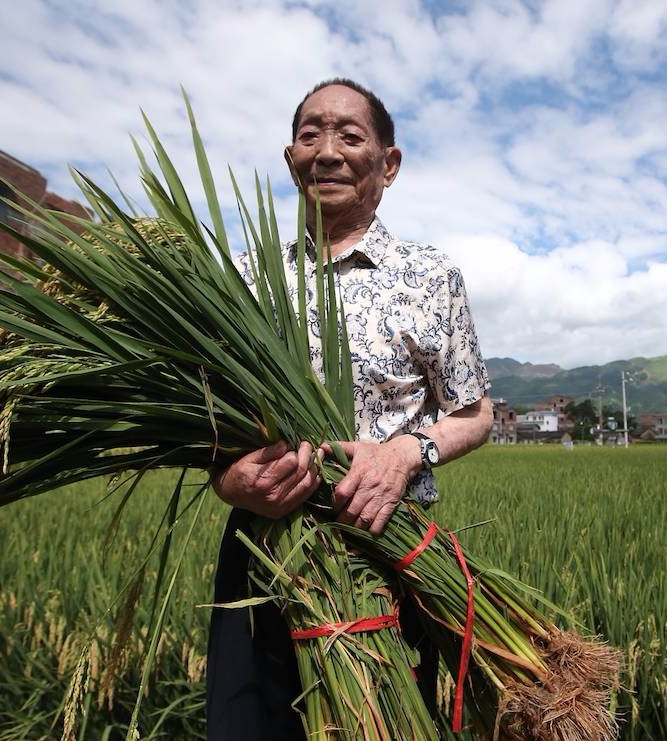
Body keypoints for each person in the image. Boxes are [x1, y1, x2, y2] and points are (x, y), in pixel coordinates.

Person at [206, 78, 493, 739]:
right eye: (310, 134)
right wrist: (228, 479)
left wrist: (405, 452)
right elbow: (211, 423)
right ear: (289, 159)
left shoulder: (429, 275)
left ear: (387, 165)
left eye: (350, 136)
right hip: (263, 549)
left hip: (386, 551)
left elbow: (473, 413)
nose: (327, 151)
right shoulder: (248, 281)